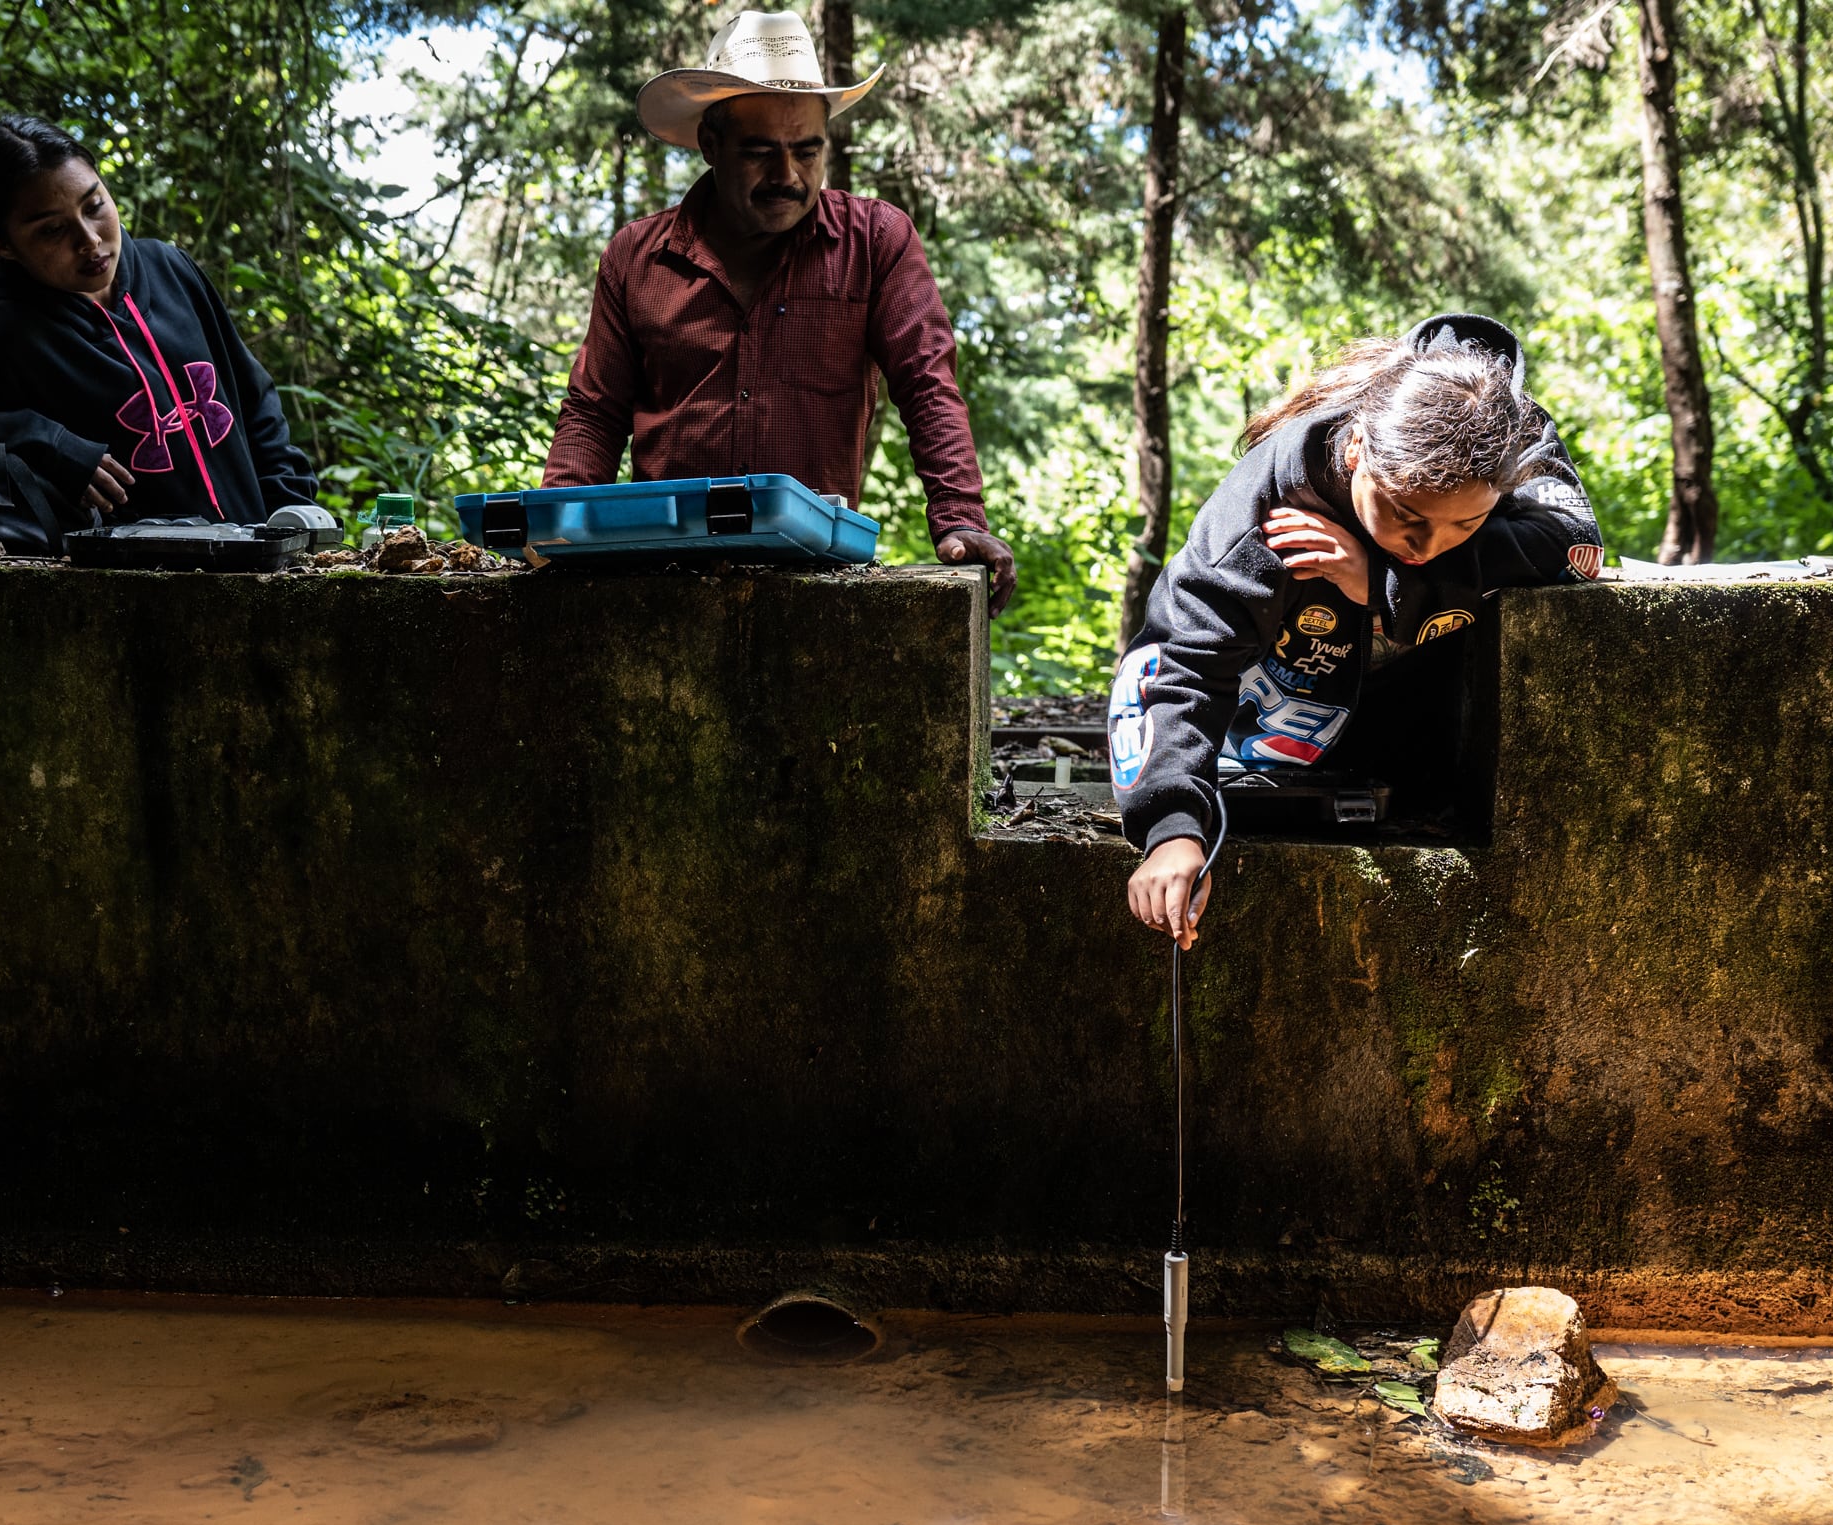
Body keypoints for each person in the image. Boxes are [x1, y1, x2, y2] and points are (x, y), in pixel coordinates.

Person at [1111, 313, 1605, 945]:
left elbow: (1573, 544)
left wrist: (1379, 578)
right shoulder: (1267, 506)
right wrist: (1173, 827)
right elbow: (1180, 661)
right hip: (1283, 720)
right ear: (1355, 452)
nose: (1426, 547)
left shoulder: (1511, 433)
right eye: (1406, 516)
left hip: (1420, 720)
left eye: (1463, 525)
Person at [543, 10, 1017, 613]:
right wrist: (555, 529)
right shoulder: (638, 257)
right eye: (760, 152)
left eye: (807, 151)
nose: (787, 176)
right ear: (710, 144)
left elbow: (926, 383)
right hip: (659, 578)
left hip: (817, 576)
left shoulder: (874, 241)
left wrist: (958, 518)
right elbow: (594, 410)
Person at [0, 116, 317, 525]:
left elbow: (253, 396)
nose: (89, 240)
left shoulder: (170, 269)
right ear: (3, 244)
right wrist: (41, 443)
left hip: (262, 572)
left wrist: (291, 510)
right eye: (52, 230)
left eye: (94, 205)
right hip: (125, 593)